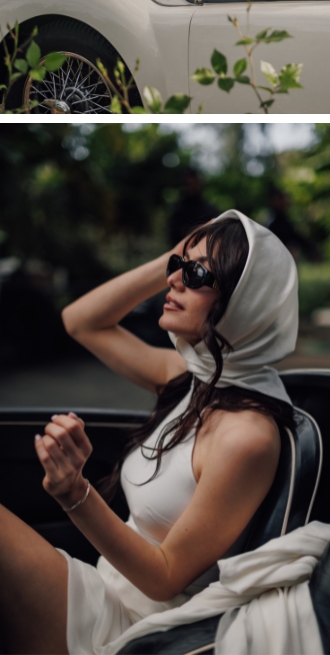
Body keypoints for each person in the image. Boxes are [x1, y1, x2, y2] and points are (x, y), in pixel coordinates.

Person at [0, 211, 299, 655]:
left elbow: (164, 577)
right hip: (103, 584)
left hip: (136, 626)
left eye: (196, 274)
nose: (175, 280)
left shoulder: (247, 437)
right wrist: (177, 256)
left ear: (246, 302)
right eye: (175, 267)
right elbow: (80, 320)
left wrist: (75, 493)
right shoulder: (192, 375)